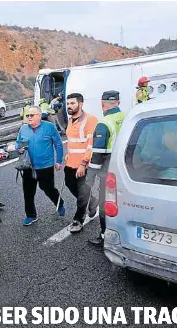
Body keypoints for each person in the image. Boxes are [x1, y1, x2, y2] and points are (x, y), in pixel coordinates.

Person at [86, 90, 126, 247]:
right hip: (126, 168)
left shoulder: (104, 123)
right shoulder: (126, 117)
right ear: (119, 103)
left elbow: (97, 154)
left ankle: (105, 236)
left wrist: (90, 176)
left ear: (102, 104)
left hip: (108, 171)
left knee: (105, 204)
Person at [14, 106, 66, 226]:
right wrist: (19, 149)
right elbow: (17, 145)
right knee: (28, 191)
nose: (29, 117)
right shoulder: (23, 129)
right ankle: (31, 215)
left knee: (47, 188)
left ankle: (59, 203)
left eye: (32, 115)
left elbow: (58, 144)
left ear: (39, 116)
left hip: (45, 165)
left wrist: (58, 160)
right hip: (28, 166)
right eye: (27, 115)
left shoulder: (49, 127)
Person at [63, 93, 99, 234]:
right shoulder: (71, 120)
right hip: (70, 163)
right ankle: (92, 200)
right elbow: (73, 141)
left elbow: (91, 145)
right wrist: (68, 154)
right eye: (68, 104)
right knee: (70, 185)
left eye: (72, 103)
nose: (69, 106)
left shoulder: (90, 120)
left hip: (85, 165)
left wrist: (84, 163)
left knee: (83, 193)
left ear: (81, 104)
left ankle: (78, 219)